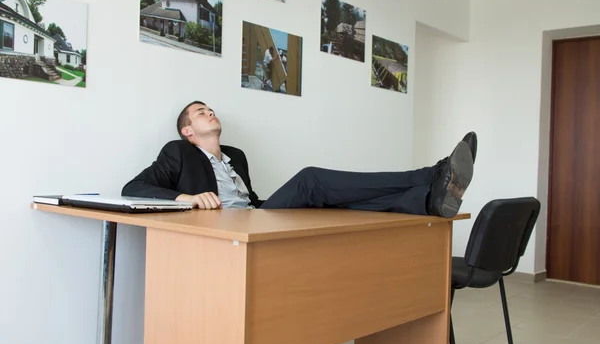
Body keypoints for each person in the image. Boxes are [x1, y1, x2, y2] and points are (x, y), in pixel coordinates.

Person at [122, 101, 477, 218]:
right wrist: (187, 198)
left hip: (255, 217)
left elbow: (252, 200)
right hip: (224, 228)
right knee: (310, 179)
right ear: (188, 130)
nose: (210, 113)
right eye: (201, 112)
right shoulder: (179, 151)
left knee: (330, 207)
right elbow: (132, 187)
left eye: (211, 109)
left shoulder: (235, 156)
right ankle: (431, 174)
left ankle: (426, 200)